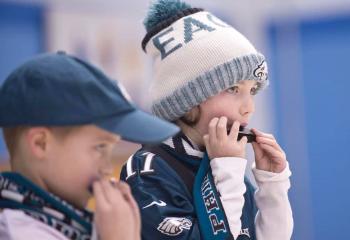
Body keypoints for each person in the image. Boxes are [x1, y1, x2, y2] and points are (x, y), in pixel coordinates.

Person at [120, 1, 293, 239]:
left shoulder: (220, 164)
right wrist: (228, 172)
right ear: (189, 99)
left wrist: (273, 186)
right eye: (233, 89)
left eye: (252, 91)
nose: (249, 108)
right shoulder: (147, 170)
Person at [0, 51, 179, 240]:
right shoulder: (19, 233)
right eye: (100, 147)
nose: (107, 169)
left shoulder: (66, 222)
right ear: (41, 143)